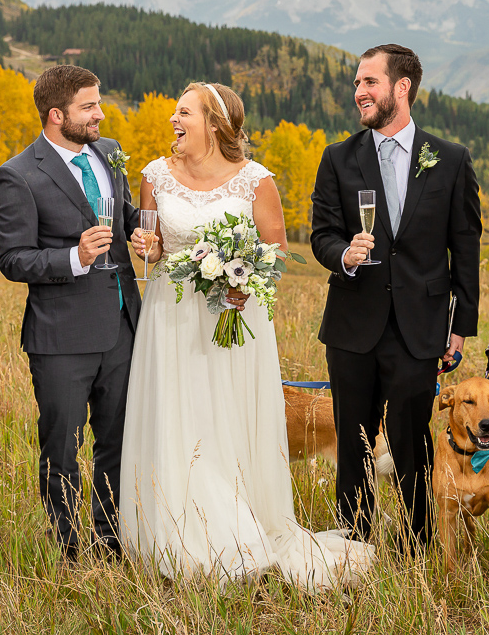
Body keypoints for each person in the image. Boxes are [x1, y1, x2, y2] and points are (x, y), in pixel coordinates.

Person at [121, 82, 373, 588]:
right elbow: (152, 250)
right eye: (175, 111)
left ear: (214, 122)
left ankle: (239, 526)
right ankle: (174, 532)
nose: (173, 119)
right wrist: (143, 245)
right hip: (170, 317)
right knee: (176, 416)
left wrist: (240, 275)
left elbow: (277, 251)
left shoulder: (254, 180)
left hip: (235, 316)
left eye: (183, 111)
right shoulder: (154, 176)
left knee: (226, 422)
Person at [310, 43, 482, 548]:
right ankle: (352, 545)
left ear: (401, 88)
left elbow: (464, 249)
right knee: (354, 442)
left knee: (412, 440)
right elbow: (321, 234)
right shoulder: (338, 159)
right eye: (357, 83)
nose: (359, 92)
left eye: (369, 82)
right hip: (352, 324)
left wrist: (460, 324)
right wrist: (345, 253)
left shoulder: (449, 160)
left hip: (419, 326)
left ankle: (418, 542)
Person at [0, 64, 141, 561]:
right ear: (57, 116)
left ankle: (110, 540)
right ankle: (70, 548)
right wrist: (75, 257)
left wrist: (141, 234)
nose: (101, 114)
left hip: (123, 325)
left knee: (117, 440)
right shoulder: (18, 175)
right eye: (89, 107)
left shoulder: (110, 152)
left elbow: (127, 218)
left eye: (99, 103)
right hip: (61, 338)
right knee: (61, 448)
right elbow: (13, 259)